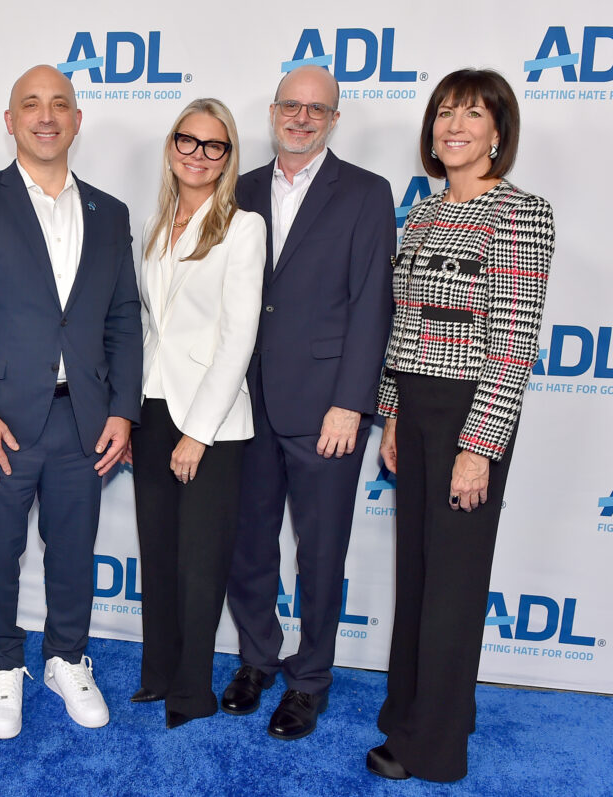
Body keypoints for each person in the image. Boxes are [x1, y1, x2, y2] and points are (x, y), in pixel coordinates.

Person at [0, 65, 142, 739]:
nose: (46, 116)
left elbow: (124, 319)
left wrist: (123, 409)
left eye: (60, 105)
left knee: (74, 548)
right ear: (10, 120)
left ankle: (66, 657)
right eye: (31, 104)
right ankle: (2, 661)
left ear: (77, 120)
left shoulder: (111, 212)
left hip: (83, 417)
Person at [366, 69, 555, 783]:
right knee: (416, 570)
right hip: (413, 406)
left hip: (468, 411)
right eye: (444, 113)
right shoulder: (421, 214)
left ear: (497, 133)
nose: (453, 127)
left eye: (472, 116)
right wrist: (389, 411)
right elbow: (404, 324)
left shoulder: (520, 214)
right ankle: (410, 705)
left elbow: (512, 344)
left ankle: (433, 747)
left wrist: (479, 447)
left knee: (453, 583)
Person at [222, 64, 395, 740]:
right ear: (272, 112)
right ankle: (256, 659)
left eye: (315, 109)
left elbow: (370, 306)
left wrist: (352, 401)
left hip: (326, 406)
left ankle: (311, 679)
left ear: (334, 119)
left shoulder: (365, 193)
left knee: (320, 552)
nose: (301, 117)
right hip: (243, 402)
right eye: (291, 106)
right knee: (248, 544)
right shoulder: (236, 189)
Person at [130, 99, 265, 729]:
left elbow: (238, 339)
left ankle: (192, 692)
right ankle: (157, 675)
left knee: (199, 563)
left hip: (208, 424)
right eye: (189, 140)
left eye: (214, 146)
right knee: (157, 553)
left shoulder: (243, 227)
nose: (199, 154)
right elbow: (150, 329)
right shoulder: (158, 224)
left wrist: (197, 433)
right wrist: (132, 414)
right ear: (171, 145)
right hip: (154, 408)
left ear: (228, 156)